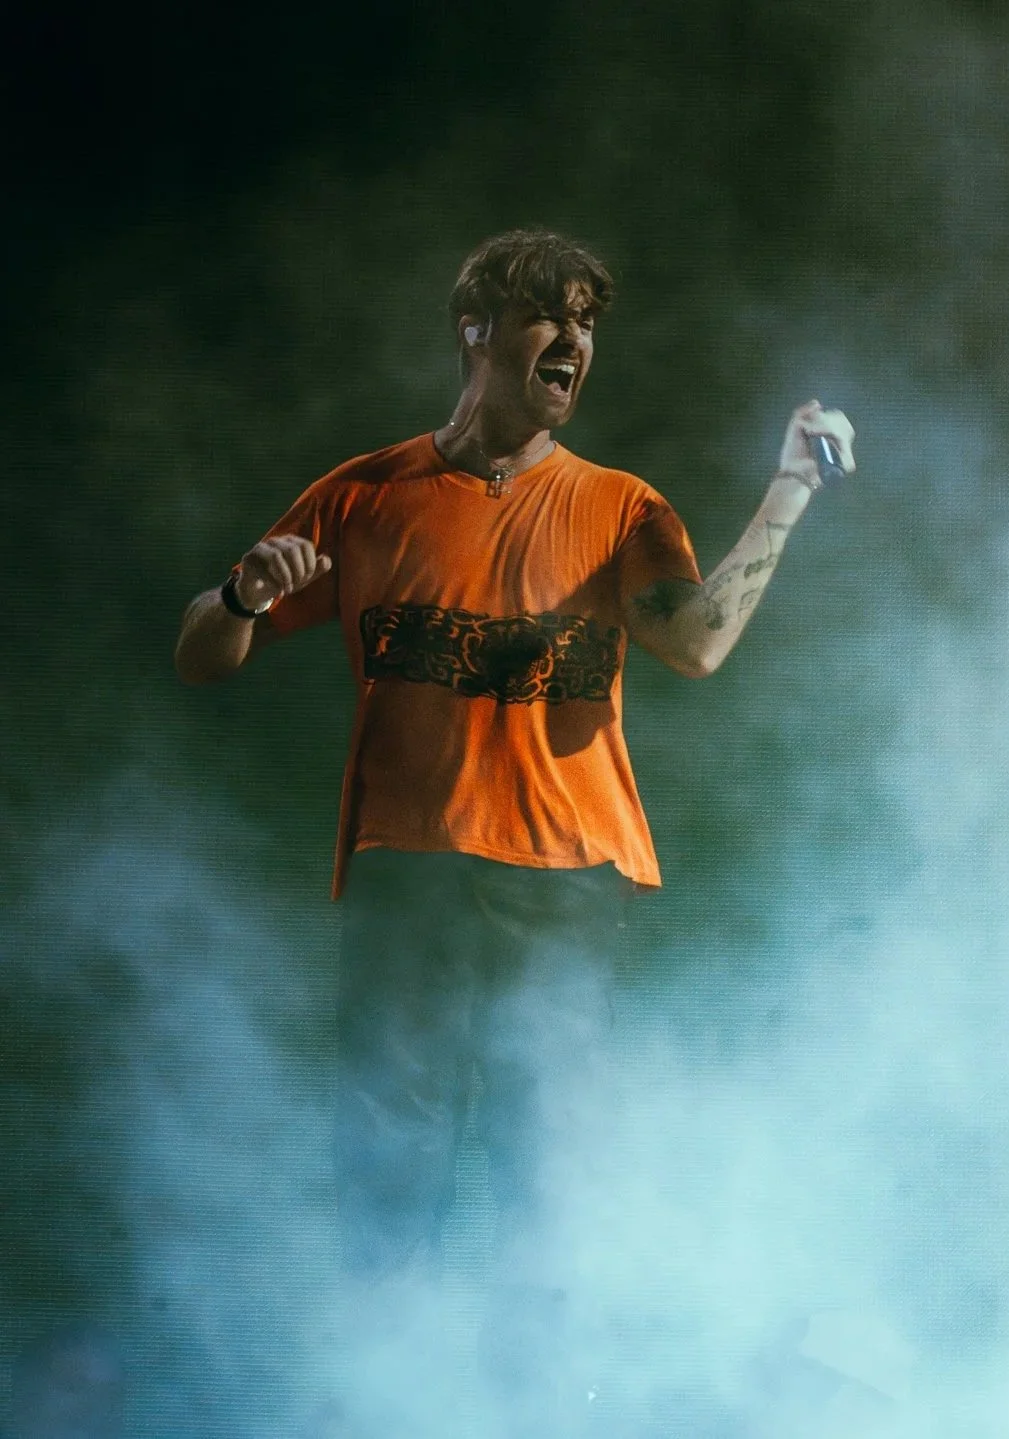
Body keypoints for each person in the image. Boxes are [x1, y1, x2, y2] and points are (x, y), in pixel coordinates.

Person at [174, 228, 855, 1436]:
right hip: (411, 885)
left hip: (562, 890)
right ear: (478, 330)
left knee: (558, 1188)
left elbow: (695, 642)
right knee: (386, 1183)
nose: (577, 341)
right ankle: (380, 1409)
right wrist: (242, 596)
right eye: (552, 313)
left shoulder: (617, 507)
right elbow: (201, 655)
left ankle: (559, 1411)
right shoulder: (368, 493)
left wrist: (790, 485)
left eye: (589, 322)